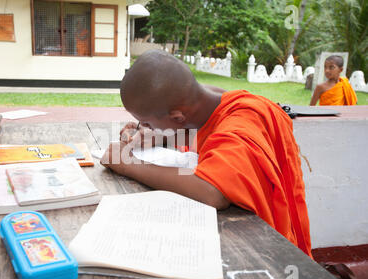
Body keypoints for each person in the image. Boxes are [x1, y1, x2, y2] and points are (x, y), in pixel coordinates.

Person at [100, 50, 313, 258]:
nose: (142, 127)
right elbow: (205, 132)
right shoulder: (206, 100)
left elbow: (213, 193)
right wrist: (159, 135)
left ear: (177, 117)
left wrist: (128, 164)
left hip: (266, 250)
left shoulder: (240, 126)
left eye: (145, 122)